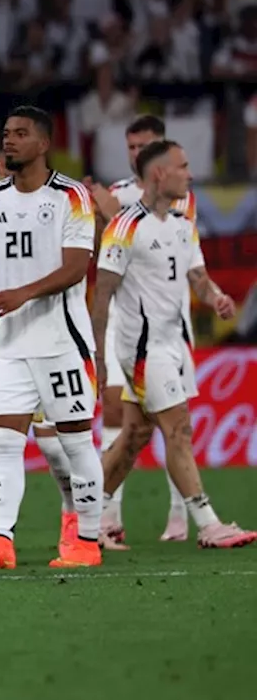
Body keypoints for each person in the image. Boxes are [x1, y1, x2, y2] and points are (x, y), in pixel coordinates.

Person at [0, 106, 105, 570]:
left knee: (75, 441)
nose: (10, 141)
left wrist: (24, 293)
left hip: (62, 342)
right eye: (6, 133)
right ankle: (1, 540)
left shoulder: (72, 196)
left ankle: (87, 541)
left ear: (44, 144)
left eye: (21, 134)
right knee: (3, 440)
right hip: (12, 345)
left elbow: (77, 266)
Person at [93, 140, 256, 549]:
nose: (191, 173)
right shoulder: (125, 227)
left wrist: (215, 295)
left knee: (134, 436)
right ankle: (209, 523)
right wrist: (98, 353)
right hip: (142, 349)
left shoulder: (183, 223)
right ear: (159, 174)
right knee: (178, 428)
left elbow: (196, 274)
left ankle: (90, 517)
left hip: (174, 343)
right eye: (182, 166)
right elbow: (103, 295)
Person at [87, 115, 197, 543]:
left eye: (144, 146)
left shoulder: (178, 194)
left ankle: (179, 515)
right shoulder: (115, 193)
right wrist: (99, 216)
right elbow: (103, 250)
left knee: (168, 421)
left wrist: (109, 210)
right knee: (124, 415)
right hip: (127, 322)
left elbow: (162, 228)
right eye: (130, 146)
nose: (136, 154)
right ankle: (107, 518)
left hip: (171, 324)